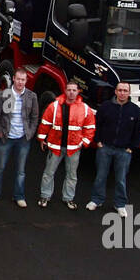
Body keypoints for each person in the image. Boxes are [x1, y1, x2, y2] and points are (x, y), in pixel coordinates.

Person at [37, 79, 96, 209]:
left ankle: (69, 198)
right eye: (69, 90)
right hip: (55, 146)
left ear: (78, 92)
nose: (71, 93)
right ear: (65, 91)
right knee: (48, 173)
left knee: (71, 175)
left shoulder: (85, 109)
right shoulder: (54, 106)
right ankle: (45, 196)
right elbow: (45, 122)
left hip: (74, 148)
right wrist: (42, 138)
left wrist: (84, 143)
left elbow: (90, 127)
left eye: (74, 90)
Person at [88, 82, 140, 218]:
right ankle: (96, 200)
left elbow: (138, 131)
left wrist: (131, 147)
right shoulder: (106, 107)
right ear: (115, 92)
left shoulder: (135, 110)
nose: (122, 93)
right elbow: (97, 124)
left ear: (129, 93)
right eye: (120, 90)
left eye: (125, 90)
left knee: (121, 179)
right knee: (101, 176)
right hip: (105, 148)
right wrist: (98, 141)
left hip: (124, 151)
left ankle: (120, 204)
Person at [0, 69, 39, 207]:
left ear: (26, 81)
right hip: (6, 137)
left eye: (23, 80)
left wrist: (31, 132)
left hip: (23, 139)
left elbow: (34, 117)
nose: (20, 82)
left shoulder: (31, 96)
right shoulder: (4, 95)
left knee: (21, 171)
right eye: (18, 79)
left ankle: (19, 196)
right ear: (14, 79)